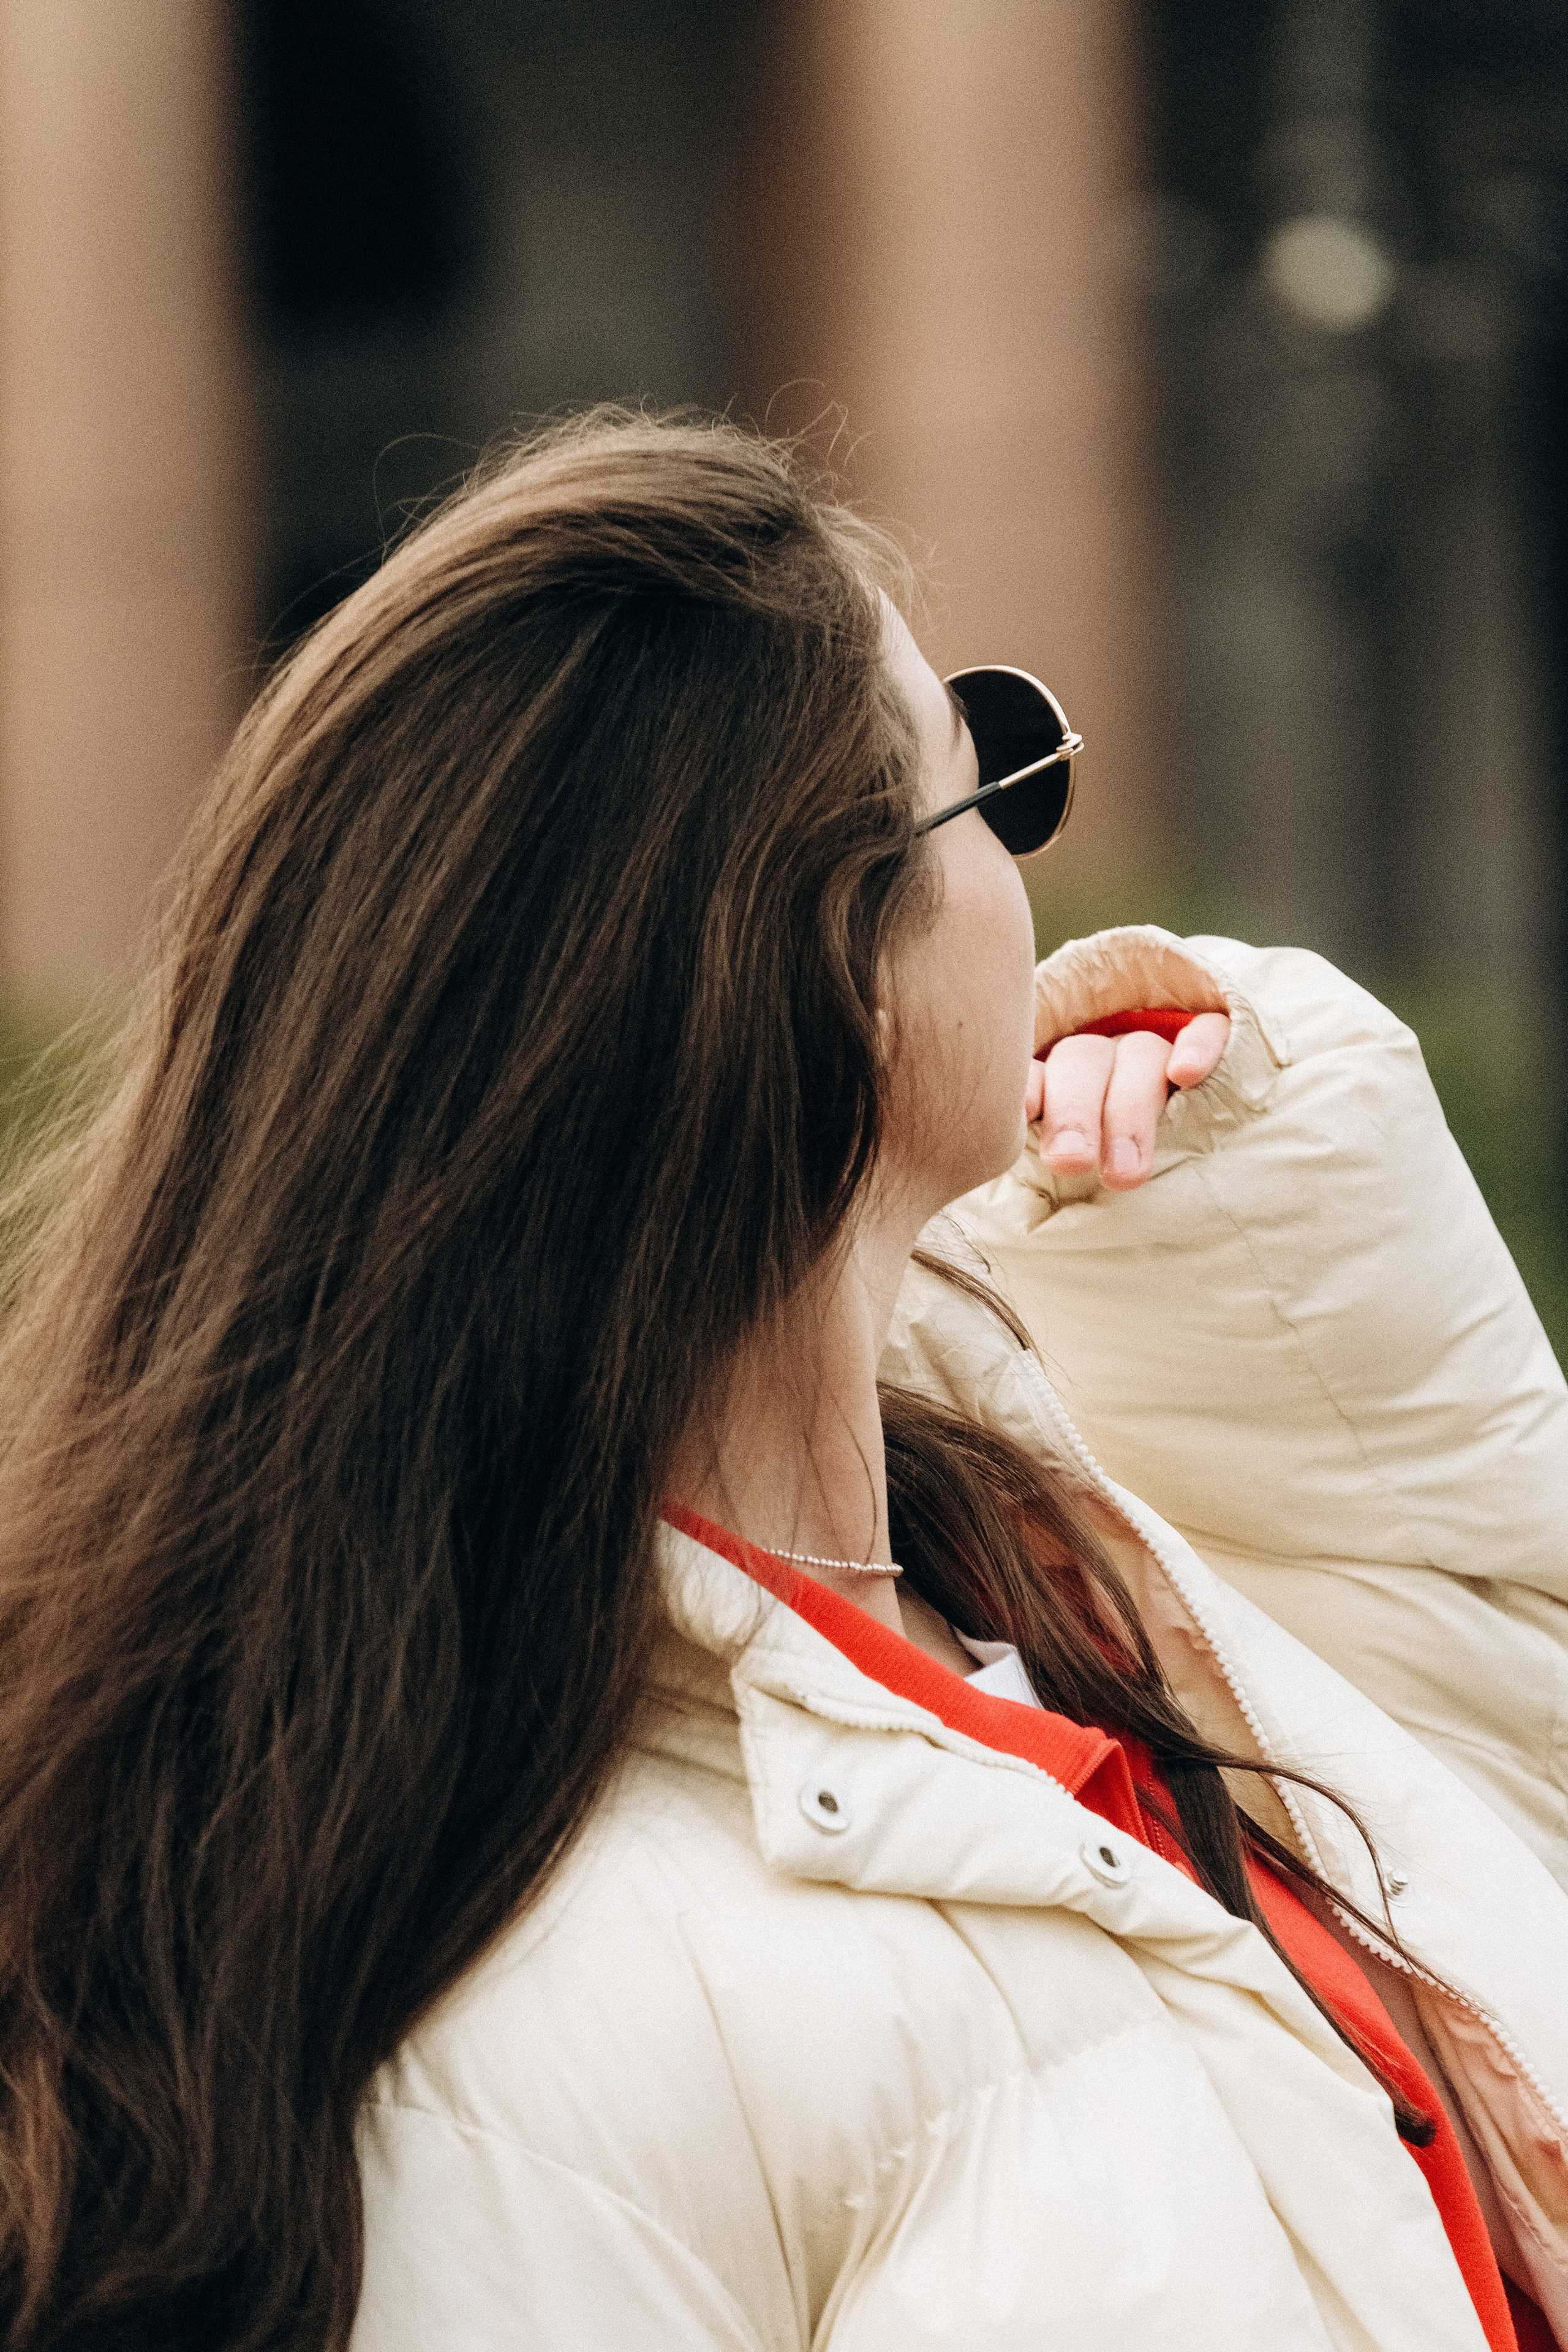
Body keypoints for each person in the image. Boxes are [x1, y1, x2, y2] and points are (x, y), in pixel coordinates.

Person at [0, 411, 1561, 2352]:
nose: (1032, 834)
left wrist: (1254, 1243)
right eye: (977, 772)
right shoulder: (502, 2063)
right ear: (827, 971)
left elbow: (1510, 1828)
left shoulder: (1031, 1588)